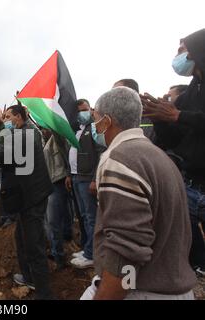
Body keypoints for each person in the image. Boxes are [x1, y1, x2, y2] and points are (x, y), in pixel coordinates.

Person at [82, 87, 197, 300]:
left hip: (141, 290)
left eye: (96, 120)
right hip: (173, 285)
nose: (94, 127)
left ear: (107, 121)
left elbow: (125, 251)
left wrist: (108, 294)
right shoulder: (157, 155)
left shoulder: (119, 159)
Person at [142, 28, 205, 277]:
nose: (178, 56)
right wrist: (160, 119)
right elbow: (174, 140)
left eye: (183, 50)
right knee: (186, 241)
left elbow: (188, 119)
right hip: (190, 185)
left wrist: (178, 115)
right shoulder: (191, 92)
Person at [0, 104, 54, 300]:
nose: (6, 120)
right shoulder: (21, 132)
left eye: (8, 116)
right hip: (25, 195)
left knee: (34, 245)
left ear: (19, 117)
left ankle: (44, 293)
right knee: (21, 239)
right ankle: (29, 277)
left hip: (34, 196)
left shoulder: (29, 134)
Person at [66, 99, 105, 269]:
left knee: (91, 217)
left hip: (87, 178)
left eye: (86, 109)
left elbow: (100, 154)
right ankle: (87, 248)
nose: (83, 113)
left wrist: (95, 179)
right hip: (75, 177)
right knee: (82, 215)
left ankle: (92, 254)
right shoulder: (77, 130)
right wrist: (69, 174)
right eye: (80, 110)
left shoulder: (95, 129)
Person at [42, 128, 70, 269]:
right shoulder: (45, 140)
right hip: (49, 183)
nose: (43, 130)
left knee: (53, 221)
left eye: (46, 127)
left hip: (57, 181)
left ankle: (59, 256)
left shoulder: (57, 137)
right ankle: (55, 250)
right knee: (50, 220)